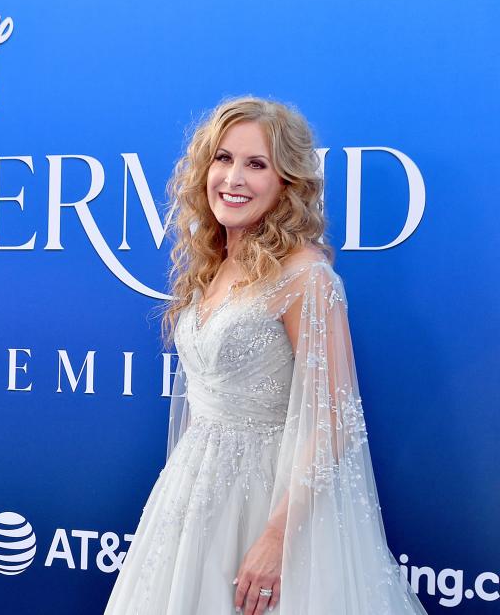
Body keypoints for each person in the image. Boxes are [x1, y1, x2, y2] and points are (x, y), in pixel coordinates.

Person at [104, 96, 428, 614]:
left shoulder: (307, 277)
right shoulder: (210, 267)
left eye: (257, 164)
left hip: (272, 501)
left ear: (287, 183)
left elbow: (332, 419)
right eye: (223, 158)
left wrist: (278, 537)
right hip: (190, 500)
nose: (233, 178)